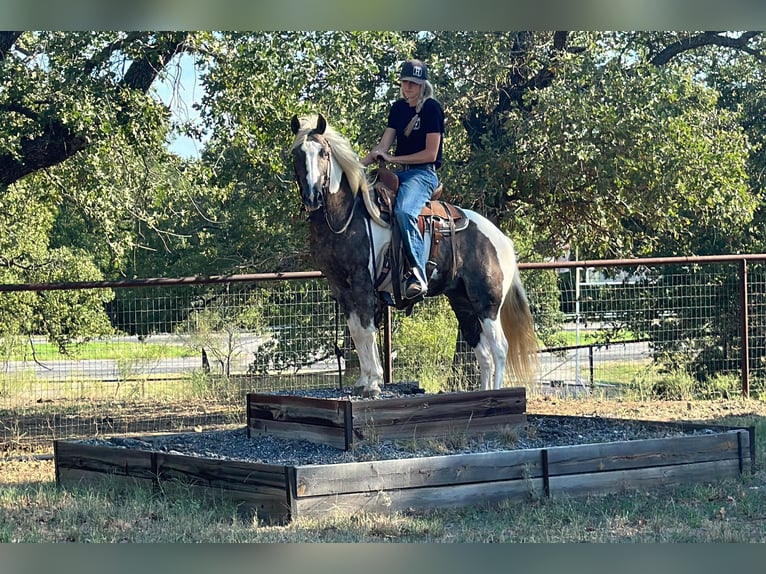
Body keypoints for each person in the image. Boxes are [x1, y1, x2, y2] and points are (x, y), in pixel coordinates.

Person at [361, 58, 444, 300]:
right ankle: (384, 274)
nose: (408, 87)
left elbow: (431, 153)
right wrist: (357, 166)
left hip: (423, 174)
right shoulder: (397, 109)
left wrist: (393, 160)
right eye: (405, 82)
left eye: (413, 83)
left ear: (422, 85)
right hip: (398, 173)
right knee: (368, 205)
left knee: (405, 212)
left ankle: (417, 273)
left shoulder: (432, 109)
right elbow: (382, 146)